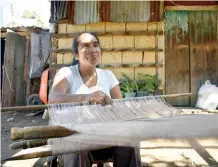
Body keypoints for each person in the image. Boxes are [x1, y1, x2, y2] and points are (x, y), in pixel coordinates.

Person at [48, 32, 141, 167]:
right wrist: (86, 97)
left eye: (95, 45)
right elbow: (53, 99)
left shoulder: (108, 76)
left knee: (130, 144)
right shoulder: (67, 73)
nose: (92, 50)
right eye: (85, 46)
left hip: (101, 137)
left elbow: (120, 109)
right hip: (70, 136)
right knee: (77, 147)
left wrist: (111, 105)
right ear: (76, 55)